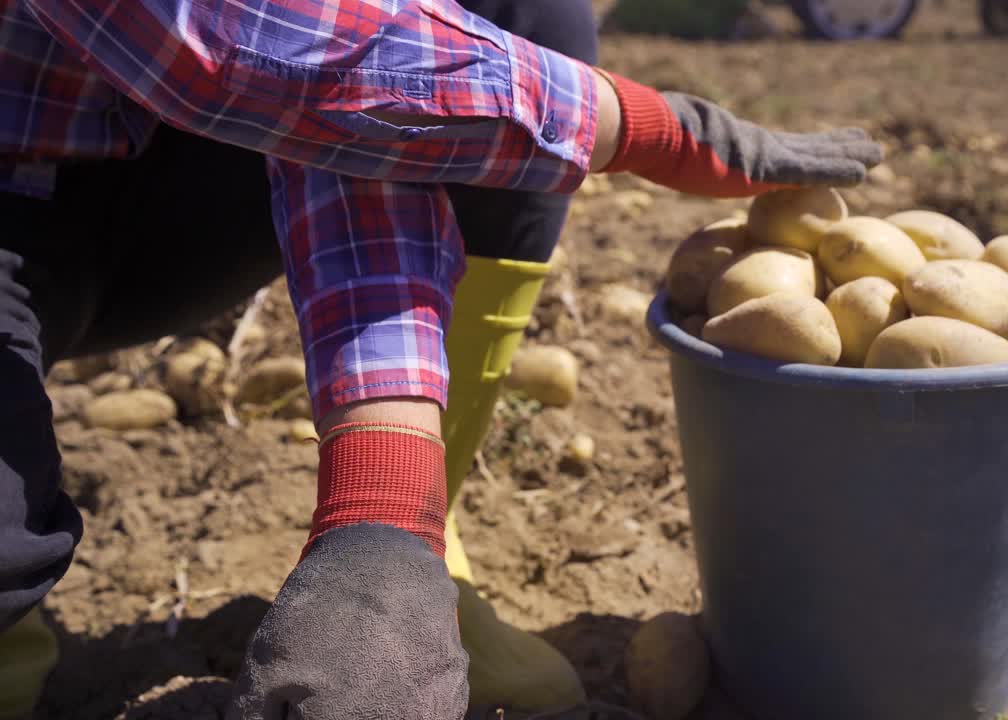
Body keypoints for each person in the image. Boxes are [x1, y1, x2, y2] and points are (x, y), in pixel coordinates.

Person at [0, 0, 883, 717]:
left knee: (509, 14)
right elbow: (219, 34)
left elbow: (346, 81)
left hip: (166, 170)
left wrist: (381, 522)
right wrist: (647, 127)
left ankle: (419, 561)